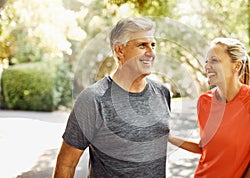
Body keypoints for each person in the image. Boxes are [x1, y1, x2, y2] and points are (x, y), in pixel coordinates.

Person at [53, 17, 171, 178]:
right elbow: (66, 164)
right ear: (119, 50)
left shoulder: (162, 93)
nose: (151, 53)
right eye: (142, 45)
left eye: (153, 45)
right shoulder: (93, 99)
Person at [168, 37, 250, 178]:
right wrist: (170, 138)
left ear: (236, 66)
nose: (207, 67)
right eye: (206, 61)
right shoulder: (204, 101)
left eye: (214, 60)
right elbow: (204, 148)